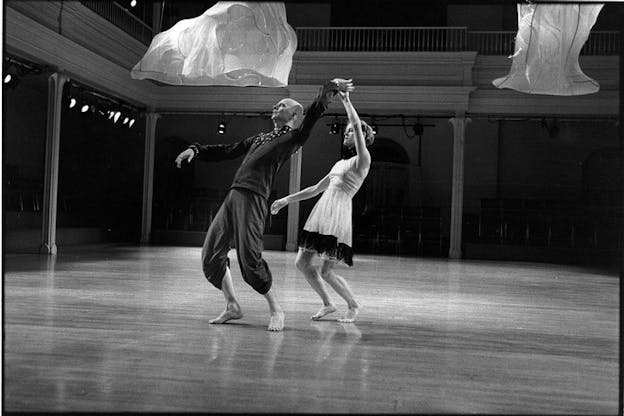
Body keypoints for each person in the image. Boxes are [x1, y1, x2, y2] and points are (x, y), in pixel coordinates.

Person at [175, 78, 354, 331]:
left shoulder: (293, 137)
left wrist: (329, 88)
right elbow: (228, 149)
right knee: (211, 252)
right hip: (234, 195)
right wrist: (196, 149)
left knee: (249, 258)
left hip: (254, 197)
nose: (276, 105)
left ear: (293, 115)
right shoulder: (259, 138)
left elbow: (314, 113)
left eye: (282, 105)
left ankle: (276, 309)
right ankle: (232, 306)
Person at [270, 90, 374, 323]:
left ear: (362, 138)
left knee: (327, 270)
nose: (347, 133)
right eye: (345, 131)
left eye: (349, 131)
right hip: (323, 210)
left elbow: (357, 126)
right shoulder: (340, 163)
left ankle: (353, 305)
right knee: (302, 262)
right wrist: (286, 200)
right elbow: (316, 189)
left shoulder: (362, 160)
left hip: (338, 215)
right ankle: (328, 304)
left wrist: (347, 101)